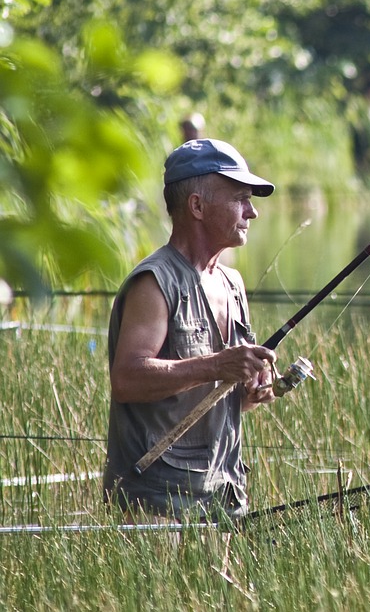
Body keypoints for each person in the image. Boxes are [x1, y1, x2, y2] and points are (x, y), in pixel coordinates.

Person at [102, 138, 278, 521]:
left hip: (224, 493)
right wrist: (217, 366)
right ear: (196, 206)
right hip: (158, 501)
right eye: (239, 199)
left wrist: (249, 389)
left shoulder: (232, 283)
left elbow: (214, 395)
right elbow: (127, 379)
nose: (251, 212)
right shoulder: (154, 282)